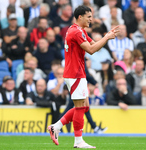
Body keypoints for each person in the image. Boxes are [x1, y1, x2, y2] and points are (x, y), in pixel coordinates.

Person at [47, 5, 119, 148]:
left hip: (77, 73)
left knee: (84, 106)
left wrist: (107, 38)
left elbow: (94, 45)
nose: (91, 20)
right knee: (80, 107)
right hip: (75, 73)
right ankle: (78, 141)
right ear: (80, 17)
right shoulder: (76, 32)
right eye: (89, 17)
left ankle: (56, 126)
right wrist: (106, 37)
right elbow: (91, 50)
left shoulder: (78, 30)